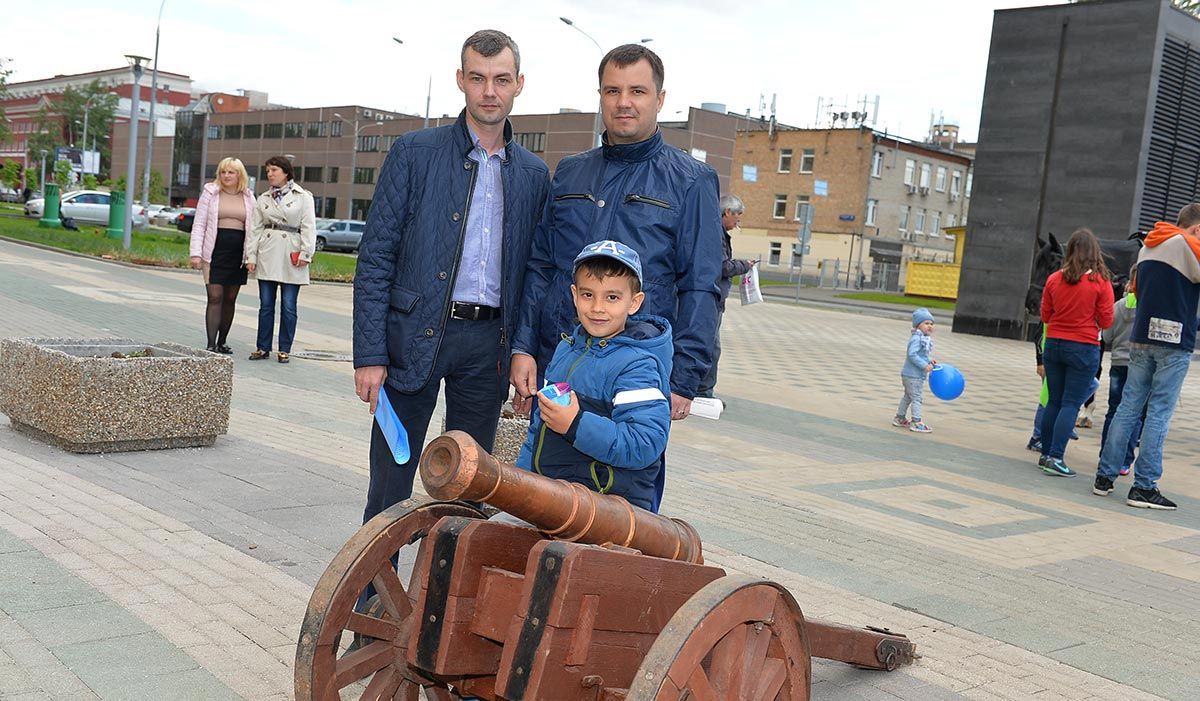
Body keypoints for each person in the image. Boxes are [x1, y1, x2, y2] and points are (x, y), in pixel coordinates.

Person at [352, 30, 550, 525]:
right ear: (460, 80)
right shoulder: (415, 152)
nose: (489, 91)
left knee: (468, 487)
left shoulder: (533, 174)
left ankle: (447, 600)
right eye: (478, 78)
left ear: (519, 84)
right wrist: (370, 354)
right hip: (411, 339)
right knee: (391, 480)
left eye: (501, 79)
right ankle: (376, 599)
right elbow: (376, 257)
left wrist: (527, 353)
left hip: (488, 348)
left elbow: (534, 277)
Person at [510, 44, 723, 425]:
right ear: (601, 97)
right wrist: (523, 347)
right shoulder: (570, 173)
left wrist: (684, 378)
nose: (624, 102)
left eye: (637, 91)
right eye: (613, 91)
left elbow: (701, 286)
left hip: (636, 372)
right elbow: (541, 267)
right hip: (559, 361)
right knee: (546, 477)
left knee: (623, 480)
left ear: (659, 99)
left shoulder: (691, 181)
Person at [515, 240, 671, 512]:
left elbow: (645, 444)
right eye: (588, 295)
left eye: (612, 297)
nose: (598, 307)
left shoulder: (637, 365)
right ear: (574, 295)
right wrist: (521, 484)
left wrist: (575, 425)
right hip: (554, 495)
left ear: (634, 303)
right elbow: (539, 428)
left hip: (608, 508)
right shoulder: (566, 349)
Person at [1093, 204, 1200, 510]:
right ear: (1197, 229)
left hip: (1141, 338)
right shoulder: (1185, 245)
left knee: (1128, 409)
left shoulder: (1148, 248)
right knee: (1158, 414)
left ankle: (1105, 477)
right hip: (1173, 341)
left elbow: (1138, 290)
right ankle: (1144, 486)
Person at [1038, 227, 1113, 477]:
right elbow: (1106, 320)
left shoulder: (1054, 279)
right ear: (1094, 253)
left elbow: (1045, 315)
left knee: (1054, 402)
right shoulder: (1100, 283)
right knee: (1071, 403)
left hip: (1054, 345)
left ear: (1069, 251)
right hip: (1083, 348)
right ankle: (1056, 457)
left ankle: (1045, 453)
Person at [245, 155, 316, 364]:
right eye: (268, 171)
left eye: (274, 170)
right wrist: (251, 256)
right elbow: (255, 229)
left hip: (291, 253)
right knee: (265, 305)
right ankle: (262, 347)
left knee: (288, 305)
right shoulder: (264, 198)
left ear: (286, 172)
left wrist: (306, 253)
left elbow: (309, 227)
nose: (270, 174)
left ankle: (285, 348)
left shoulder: (303, 197)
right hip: (267, 251)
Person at [189, 157, 255, 353]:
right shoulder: (210, 193)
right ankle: (210, 344)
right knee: (215, 296)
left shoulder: (249, 197)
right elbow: (199, 224)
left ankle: (222, 342)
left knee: (230, 298)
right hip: (214, 251)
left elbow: (254, 229)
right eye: (223, 172)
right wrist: (195, 253)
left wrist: (252, 257)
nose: (226, 176)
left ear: (239, 175)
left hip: (238, 255)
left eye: (231, 172)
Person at [695, 194, 755, 399]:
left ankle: (701, 390)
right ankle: (703, 392)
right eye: (738, 214)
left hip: (712, 297)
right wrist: (744, 266)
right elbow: (721, 266)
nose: (739, 219)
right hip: (710, 298)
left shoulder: (715, 231)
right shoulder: (716, 233)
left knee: (709, 346)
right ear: (727, 212)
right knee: (711, 347)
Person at [1098, 265, 1145, 478]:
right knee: (1134, 415)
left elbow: (1105, 336)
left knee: (1113, 411)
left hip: (1117, 364)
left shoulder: (1118, 305)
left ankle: (1105, 456)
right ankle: (1125, 461)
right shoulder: (1148, 306)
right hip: (1140, 367)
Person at [893, 308, 936, 433]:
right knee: (917, 398)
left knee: (908, 397)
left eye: (931, 324)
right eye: (926, 323)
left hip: (910, 374)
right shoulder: (917, 338)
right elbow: (912, 355)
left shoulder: (922, 337)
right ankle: (916, 422)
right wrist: (924, 366)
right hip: (913, 375)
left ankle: (899, 418)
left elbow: (921, 354)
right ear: (918, 325)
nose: (930, 326)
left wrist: (929, 361)